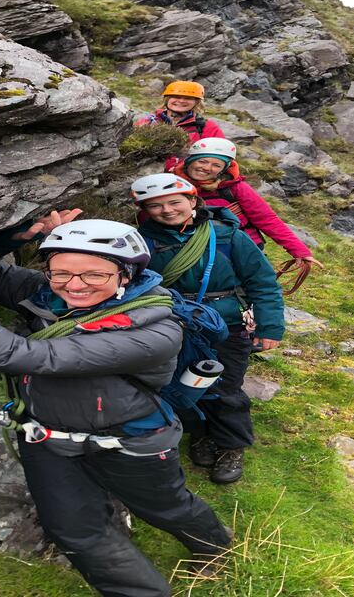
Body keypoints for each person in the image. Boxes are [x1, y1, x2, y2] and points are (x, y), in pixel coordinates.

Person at [0, 212, 232, 597]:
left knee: (167, 509)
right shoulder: (47, 293)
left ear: (126, 275)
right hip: (48, 439)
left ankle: (217, 550)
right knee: (75, 532)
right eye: (62, 272)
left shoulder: (154, 331)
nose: (76, 285)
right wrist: (15, 237)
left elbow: (18, 355)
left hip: (130, 442)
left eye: (94, 275)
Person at [131, 173, 285, 484]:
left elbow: (262, 282)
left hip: (226, 324)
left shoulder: (227, 236)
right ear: (145, 210)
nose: (167, 210)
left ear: (193, 201)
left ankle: (231, 445)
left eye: (175, 202)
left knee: (225, 388)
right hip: (169, 324)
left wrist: (270, 326)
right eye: (156, 206)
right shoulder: (139, 242)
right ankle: (200, 434)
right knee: (180, 383)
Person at [172, 137, 324, 269]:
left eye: (216, 165)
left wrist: (299, 251)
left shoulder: (235, 188)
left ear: (224, 169)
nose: (206, 168)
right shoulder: (170, 183)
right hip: (190, 247)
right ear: (190, 161)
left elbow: (266, 219)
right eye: (202, 161)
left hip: (241, 247)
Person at [135, 80, 225, 171]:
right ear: (167, 99)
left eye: (188, 98)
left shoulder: (207, 127)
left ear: (196, 102)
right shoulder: (147, 122)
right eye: (176, 96)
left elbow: (220, 157)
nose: (181, 101)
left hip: (188, 178)